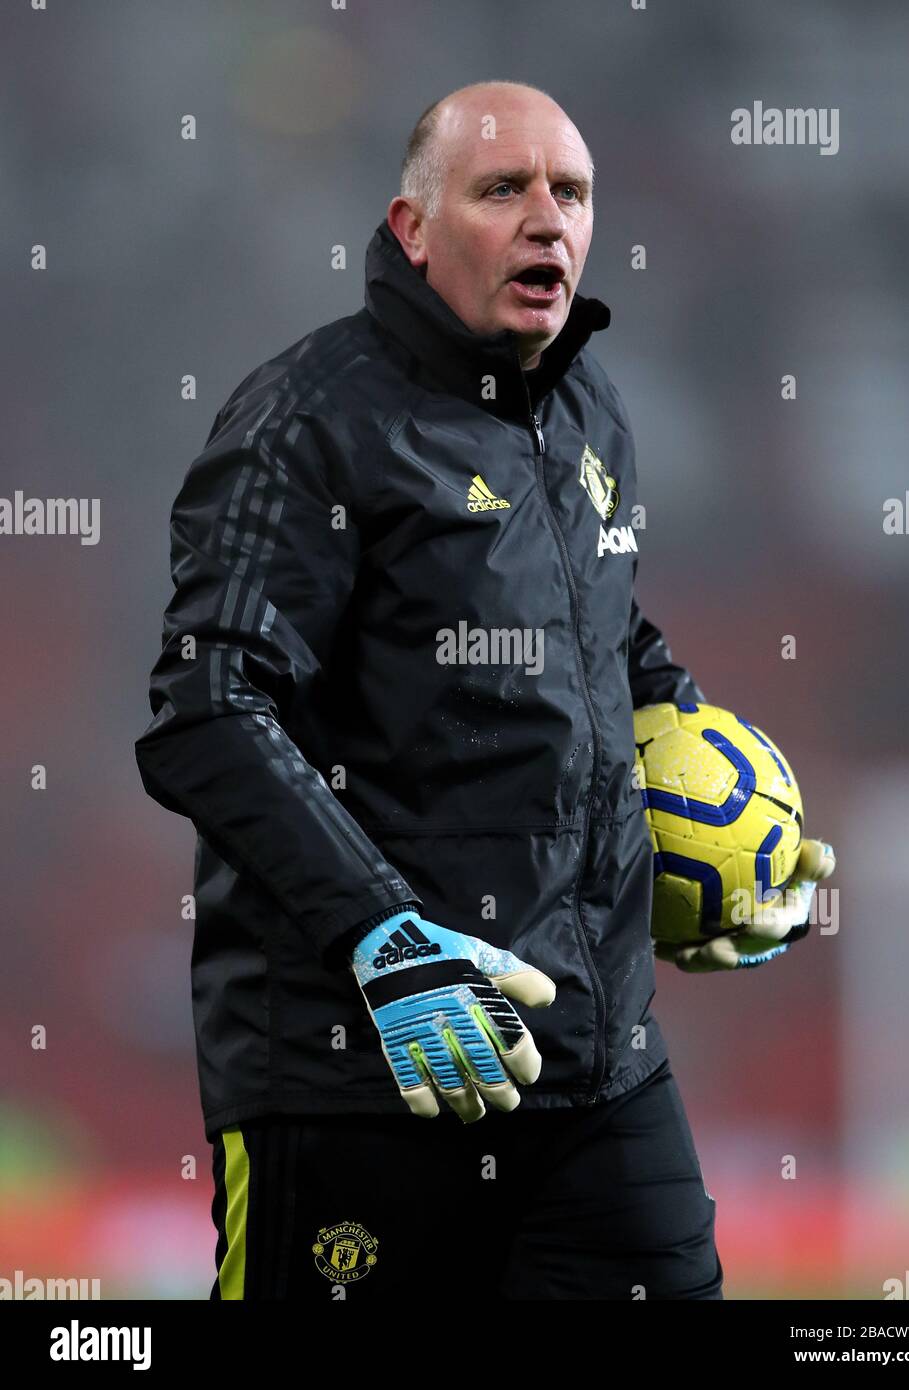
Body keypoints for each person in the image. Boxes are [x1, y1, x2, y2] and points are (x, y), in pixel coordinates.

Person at [135, 79, 727, 1301]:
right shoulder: (306, 421)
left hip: (597, 1076)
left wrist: (708, 763)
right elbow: (207, 707)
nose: (547, 221)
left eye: (569, 192)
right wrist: (383, 941)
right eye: (502, 189)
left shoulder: (589, 409)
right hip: (356, 1083)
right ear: (412, 228)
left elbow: (602, 632)